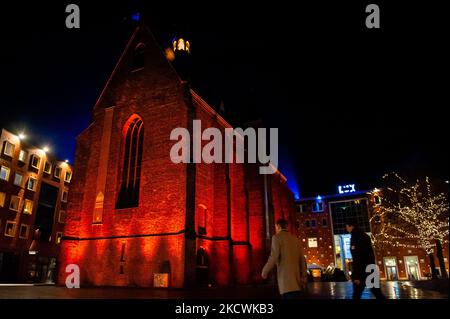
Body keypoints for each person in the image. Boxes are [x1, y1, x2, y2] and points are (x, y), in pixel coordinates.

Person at [261, 219, 308, 299]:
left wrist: (264, 272)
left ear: (278, 226)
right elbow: (303, 260)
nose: (275, 229)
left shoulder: (276, 238)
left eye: (276, 227)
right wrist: (303, 277)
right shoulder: (295, 239)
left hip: (286, 284)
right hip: (297, 284)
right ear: (286, 226)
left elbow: (273, 256)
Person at [345, 219, 386, 299]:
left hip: (363, 272)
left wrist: (356, 275)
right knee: (377, 293)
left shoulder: (356, 237)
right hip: (370, 270)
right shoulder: (363, 235)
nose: (346, 228)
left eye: (347, 226)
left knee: (356, 295)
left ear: (351, 226)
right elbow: (370, 255)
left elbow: (357, 257)